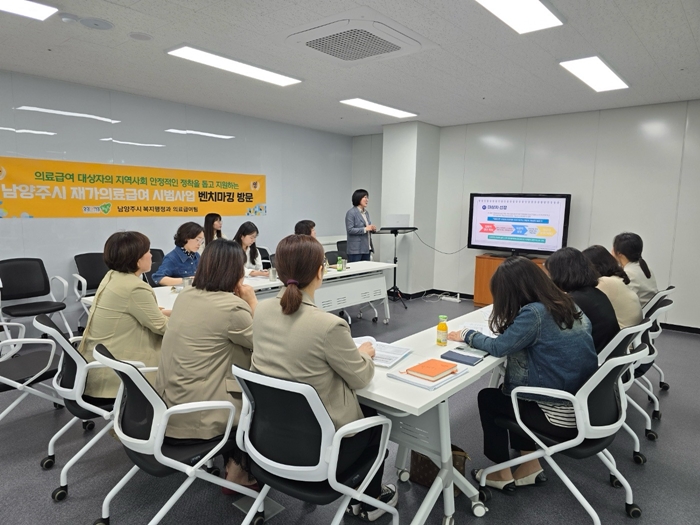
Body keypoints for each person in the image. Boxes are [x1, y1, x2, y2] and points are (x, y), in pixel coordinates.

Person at [251, 235, 397, 521]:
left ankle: (364, 496)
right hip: (319, 451)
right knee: (376, 422)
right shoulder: (329, 325)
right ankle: (370, 500)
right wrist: (365, 353)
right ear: (320, 271)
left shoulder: (262, 310)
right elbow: (361, 377)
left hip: (268, 442)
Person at [447, 256, 596, 492]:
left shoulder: (535, 314)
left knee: (489, 398)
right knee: (511, 398)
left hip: (557, 414)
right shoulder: (565, 302)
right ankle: (530, 466)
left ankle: (500, 471)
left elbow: (499, 347)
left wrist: (466, 335)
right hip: (582, 405)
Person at [155, 240, 257, 491]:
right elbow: (266, 343)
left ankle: (234, 462)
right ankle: (239, 471)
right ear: (235, 272)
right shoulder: (232, 307)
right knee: (262, 396)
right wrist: (251, 301)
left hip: (168, 405)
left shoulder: (186, 296)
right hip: (200, 414)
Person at [78, 231, 170, 399]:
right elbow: (163, 327)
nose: (151, 255)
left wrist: (168, 313)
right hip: (118, 374)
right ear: (137, 259)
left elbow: (137, 312)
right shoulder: (135, 287)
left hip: (99, 362)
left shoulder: (113, 276)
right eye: (148, 252)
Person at [545, 247, 620, 354]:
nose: (550, 278)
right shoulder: (595, 294)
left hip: (593, 360)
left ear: (560, 274)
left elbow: (555, 336)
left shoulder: (575, 302)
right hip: (607, 355)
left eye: (550, 274)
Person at [582, 245, 643, 329]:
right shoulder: (616, 278)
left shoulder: (605, 282)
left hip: (620, 335)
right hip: (630, 334)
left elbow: (582, 300)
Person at [612, 232, 658, 306]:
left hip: (636, 313)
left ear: (619, 253)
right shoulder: (643, 267)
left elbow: (621, 301)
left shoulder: (629, 274)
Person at [152, 222, 204, 286]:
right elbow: (159, 278)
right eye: (197, 240)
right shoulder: (172, 258)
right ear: (186, 238)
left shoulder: (196, 256)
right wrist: (187, 280)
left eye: (201, 241)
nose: (199, 244)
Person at [345, 189, 376, 262]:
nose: (367, 200)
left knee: (366, 272)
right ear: (358, 198)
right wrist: (365, 229)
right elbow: (350, 230)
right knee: (356, 272)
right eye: (365, 197)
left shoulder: (366, 213)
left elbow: (367, 227)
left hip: (366, 248)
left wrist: (372, 228)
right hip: (355, 250)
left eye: (367, 198)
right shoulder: (351, 213)